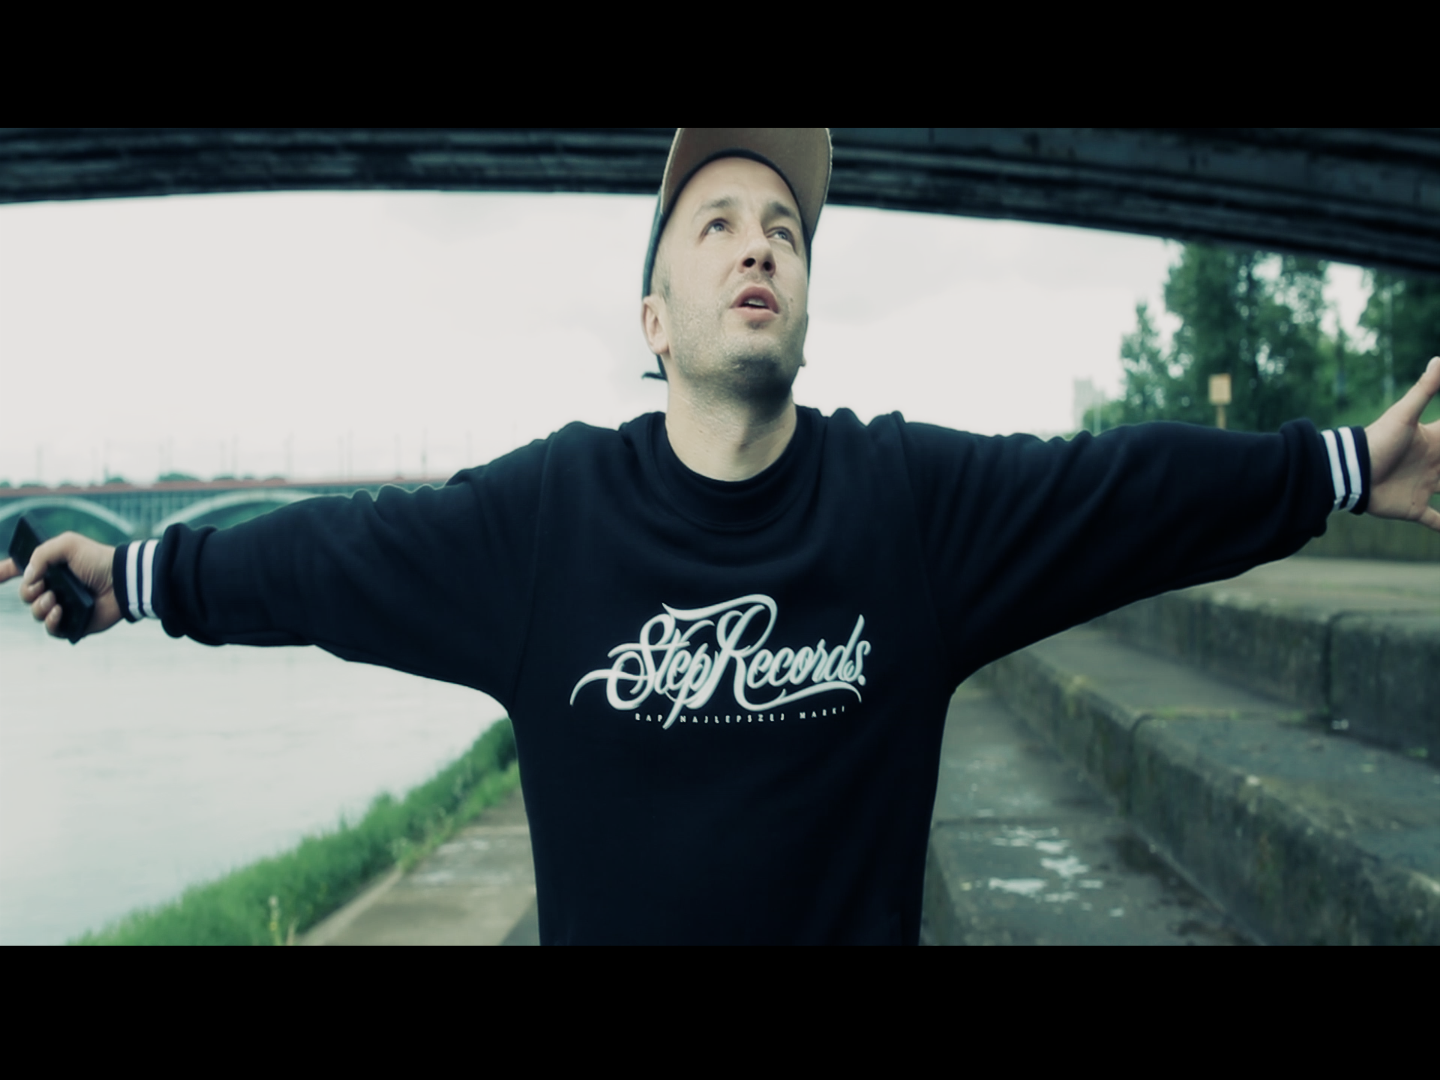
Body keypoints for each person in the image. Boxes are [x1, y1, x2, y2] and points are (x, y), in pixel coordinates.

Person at [4, 129, 1439, 944]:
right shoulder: (548, 519)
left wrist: (1345, 465)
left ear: (803, 307)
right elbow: (335, 559)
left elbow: (1120, 492)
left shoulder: (906, 507)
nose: (759, 243)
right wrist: (134, 574)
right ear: (654, 320)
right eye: (717, 226)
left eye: (786, 232)